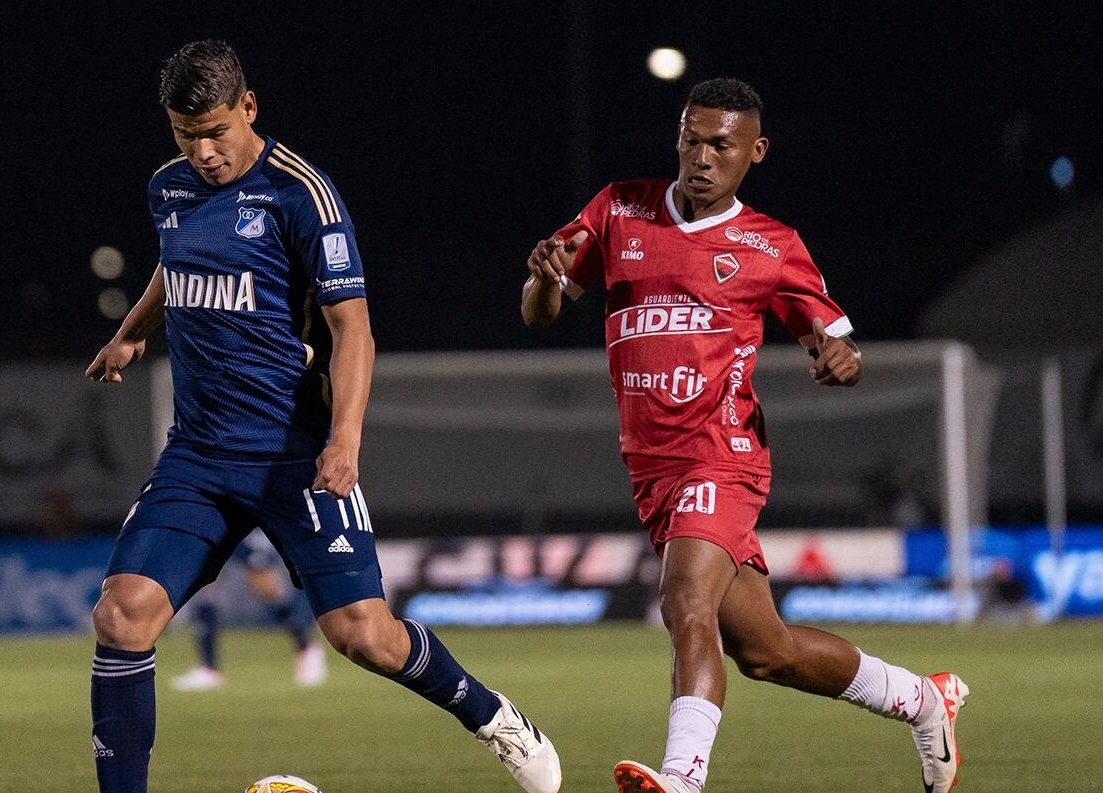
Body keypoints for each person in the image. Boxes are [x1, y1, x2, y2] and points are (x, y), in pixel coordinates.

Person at [85, 40, 560, 793]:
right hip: (198, 455)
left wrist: (344, 440)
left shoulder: (302, 193)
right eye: (185, 136)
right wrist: (131, 331)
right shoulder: (168, 187)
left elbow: (353, 328)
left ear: (249, 107)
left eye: (215, 133)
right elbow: (176, 263)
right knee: (121, 616)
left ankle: (491, 714)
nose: (203, 153)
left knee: (363, 635)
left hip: (295, 453)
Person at [521, 78, 967, 793]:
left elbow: (836, 344)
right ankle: (922, 700)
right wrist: (544, 278)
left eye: (720, 146)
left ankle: (683, 778)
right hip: (652, 468)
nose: (701, 158)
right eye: (690, 140)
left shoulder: (770, 245)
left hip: (721, 455)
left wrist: (840, 359)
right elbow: (539, 313)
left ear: (754, 152)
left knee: (684, 604)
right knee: (766, 651)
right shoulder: (618, 210)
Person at [171, 529, 327, 691]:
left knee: (266, 587)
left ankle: (306, 647)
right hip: (217, 521)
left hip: (246, 524)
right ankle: (209, 668)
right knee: (205, 582)